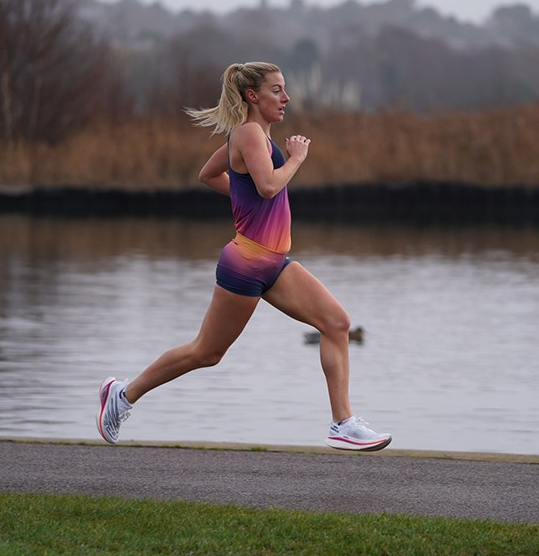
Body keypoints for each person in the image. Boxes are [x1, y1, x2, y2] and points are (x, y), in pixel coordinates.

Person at [97, 62, 391, 452]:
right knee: (207, 352)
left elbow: (209, 174)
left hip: (275, 264)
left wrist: (243, 194)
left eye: (284, 90)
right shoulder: (251, 133)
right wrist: (297, 160)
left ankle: (343, 423)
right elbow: (268, 187)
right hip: (247, 264)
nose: (286, 98)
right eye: (277, 90)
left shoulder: (253, 136)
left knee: (337, 323)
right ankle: (123, 395)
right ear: (253, 96)